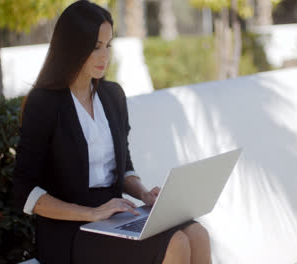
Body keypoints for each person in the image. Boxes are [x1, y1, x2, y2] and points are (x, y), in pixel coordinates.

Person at [13, 1, 211, 263]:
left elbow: (124, 166)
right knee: (175, 244)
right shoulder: (45, 103)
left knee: (197, 234)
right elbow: (24, 191)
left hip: (114, 218)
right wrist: (91, 213)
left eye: (108, 45)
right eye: (95, 47)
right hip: (69, 231)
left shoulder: (112, 95)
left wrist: (143, 193)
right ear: (72, 47)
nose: (104, 56)